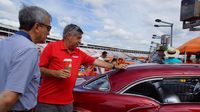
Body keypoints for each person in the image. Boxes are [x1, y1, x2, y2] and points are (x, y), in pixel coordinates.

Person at [36, 24, 127, 112]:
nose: (80, 41)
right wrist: (56, 73)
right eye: (78, 38)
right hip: (47, 101)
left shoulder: (79, 53)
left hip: (67, 103)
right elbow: (38, 69)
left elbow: (95, 61)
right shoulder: (51, 47)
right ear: (69, 36)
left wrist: (114, 66)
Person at [0, 6, 51, 112]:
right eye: (48, 28)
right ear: (37, 27)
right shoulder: (29, 49)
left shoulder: (4, 42)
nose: (49, 33)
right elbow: (8, 98)